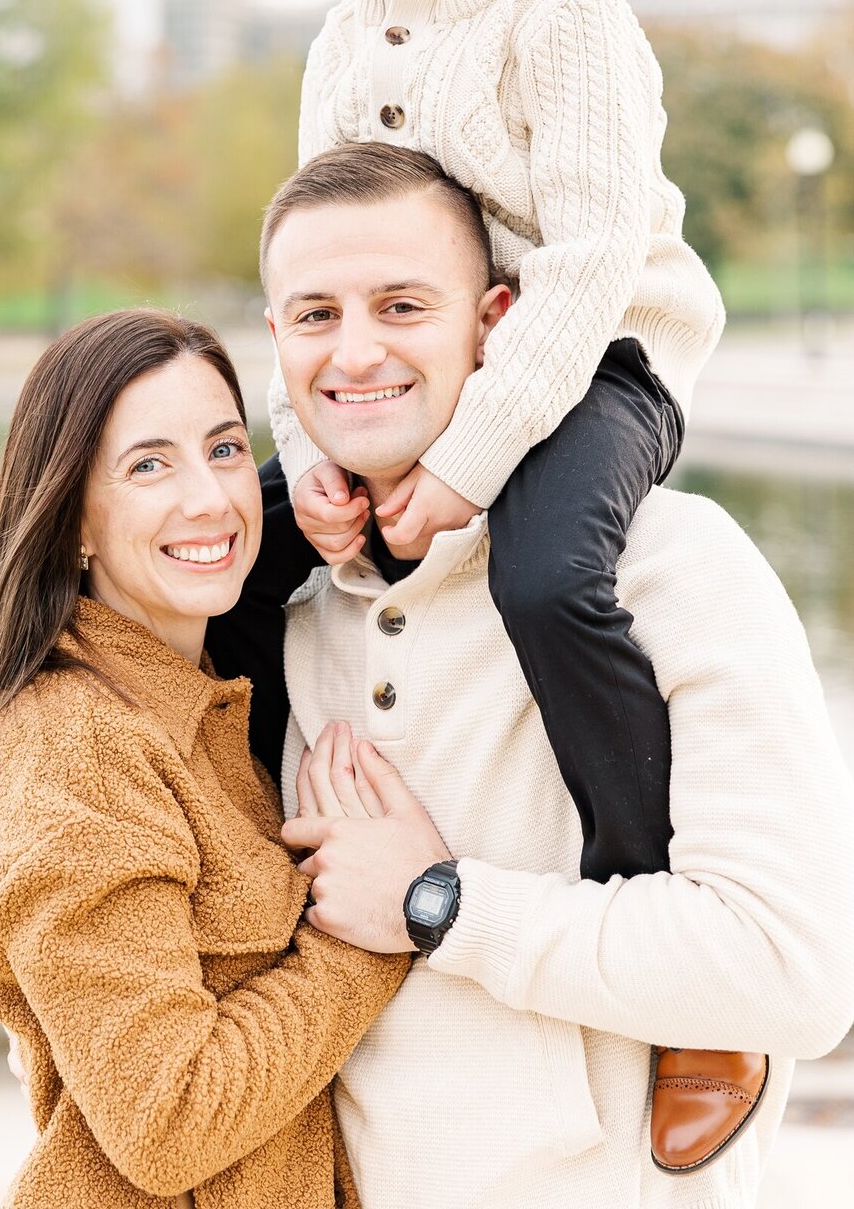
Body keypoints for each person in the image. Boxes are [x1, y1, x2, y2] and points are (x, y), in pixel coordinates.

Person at [257, 0, 756, 1168]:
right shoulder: (339, 47)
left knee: (550, 572)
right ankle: (255, 904)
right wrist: (310, 457)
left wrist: (470, 464)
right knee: (244, 563)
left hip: (603, 354)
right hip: (427, 364)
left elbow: (599, 251)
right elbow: (309, 255)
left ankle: (677, 968)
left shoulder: (563, 8)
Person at [216, 144, 854, 1207]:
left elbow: (794, 974)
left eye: (404, 305)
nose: (356, 349)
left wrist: (439, 904)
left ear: (497, 321)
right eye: (316, 314)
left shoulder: (671, 567)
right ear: (276, 340)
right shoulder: (277, 621)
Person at [0, 308, 410, 1209]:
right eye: (149, 464)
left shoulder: (200, 701)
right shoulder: (71, 749)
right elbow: (167, 1118)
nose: (210, 498)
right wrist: (370, 935)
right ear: (71, 516)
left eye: (226, 449)